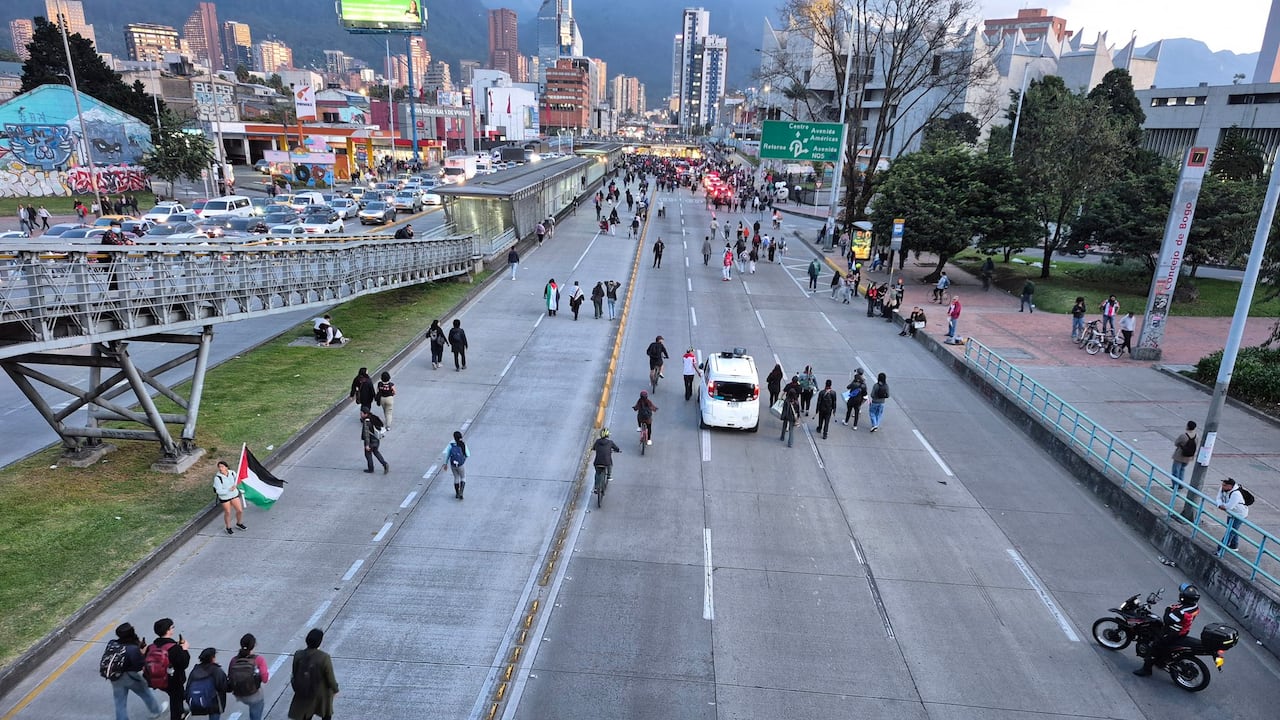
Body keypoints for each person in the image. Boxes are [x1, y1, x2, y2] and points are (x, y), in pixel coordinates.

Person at [1133, 584, 1200, 677]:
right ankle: (1161, 662)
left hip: (1172, 632)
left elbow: (1167, 619)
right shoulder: (1194, 607)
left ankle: (1146, 669)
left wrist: (1168, 609)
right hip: (1183, 631)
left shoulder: (1181, 611)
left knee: (1154, 647)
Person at [106, 622, 168, 720]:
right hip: (130, 677)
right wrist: (143, 654)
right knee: (145, 692)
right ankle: (155, 711)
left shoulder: (112, 643)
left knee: (120, 702)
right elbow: (139, 665)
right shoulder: (132, 649)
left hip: (114, 676)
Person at [287, 628, 338, 720]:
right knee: (326, 712)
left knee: (305, 714)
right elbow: (330, 678)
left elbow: (295, 672)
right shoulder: (324, 657)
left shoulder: (298, 654)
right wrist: (335, 689)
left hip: (304, 690)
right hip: (321, 693)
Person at [150, 618, 190, 720]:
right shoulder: (174, 648)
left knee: (177, 696)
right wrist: (184, 649)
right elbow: (184, 663)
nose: (173, 629)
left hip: (158, 679)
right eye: (172, 627)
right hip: (174, 680)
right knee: (175, 699)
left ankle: (181, 710)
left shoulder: (152, 647)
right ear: (168, 630)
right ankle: (178, 716)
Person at [229, 633, 270, 720]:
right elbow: (265, 679)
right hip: (253, 695)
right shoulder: (259, 659)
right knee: (257, 706)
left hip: (239, 694)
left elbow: (230, 676)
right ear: (254, 646)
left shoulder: (234, 660)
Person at [185, 647, 229, 718]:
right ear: (212, 658)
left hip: (198, 701)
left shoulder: (195, 670)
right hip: (214, 704)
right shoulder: (217, 670)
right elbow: (224, 686)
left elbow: (188, 688)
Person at [212, 460, 246, 535]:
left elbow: (238, 480)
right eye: (219, 467)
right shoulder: (217, 478)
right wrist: (228, 490)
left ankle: (239, 523)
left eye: (222, 467)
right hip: (225, 497)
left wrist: (237, 486)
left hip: (234, 495)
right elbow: (219, 491)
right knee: (228, 512)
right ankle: (228, 527)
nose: (221, 468)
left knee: (239, 510)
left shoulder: (232, 473)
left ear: (226, 467)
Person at [591, 428, 621, 496]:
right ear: (607, 435)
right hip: (606, 462)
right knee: (610, 464)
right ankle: (609, 476)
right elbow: (616, 448)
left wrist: (594, 449)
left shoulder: (597, 441)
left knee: (597, 473)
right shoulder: (610, 442)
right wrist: (618, 450)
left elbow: (593, 448)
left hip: (597, 462)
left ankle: (596, 487)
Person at [360, 408, 388, 474]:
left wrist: (367, 445)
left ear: (365, 414)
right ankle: (384, 464)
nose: (360, 415)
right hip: (377, 440)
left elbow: (366, 434)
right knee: (376, 452)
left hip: (370, 441)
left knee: (368, 454)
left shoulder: (367, 422)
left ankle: (371, 469)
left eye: (361, 413)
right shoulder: (374, 418)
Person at [1170, 420, 1198, 486]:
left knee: (1175, 471)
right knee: (1182, 469)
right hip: (1189, 457)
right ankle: (1181, 484)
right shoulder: (1196, 436)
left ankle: (1175, 485)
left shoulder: (1183, 436)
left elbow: (1176, 443)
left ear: (1187, 426)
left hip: (1180, 456)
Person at [445, 430, 469, 499]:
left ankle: (457, 493)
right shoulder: (463, 444)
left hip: (453, 465)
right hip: (460, 464)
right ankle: (461, 492)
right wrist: (462, 460)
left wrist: (445, 463)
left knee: (456, 477)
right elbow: (468, 454)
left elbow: (447, 455)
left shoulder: (451, 445)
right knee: (463, 477)